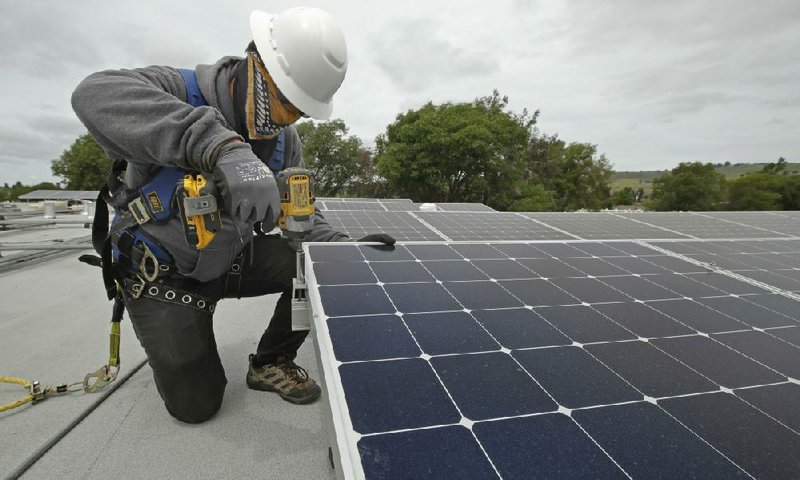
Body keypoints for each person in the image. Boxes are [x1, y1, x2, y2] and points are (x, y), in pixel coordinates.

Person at [71, 7, 394, 424]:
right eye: (284, 102)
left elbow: (298, 218)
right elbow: (92, 93)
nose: (286, 120)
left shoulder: (283, 142)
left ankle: (271, 360)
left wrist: (339, 249)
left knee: (312, 267)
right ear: (255, 65)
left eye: (300, 111)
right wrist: (222, 148)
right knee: (197, 407)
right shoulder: (177, 90)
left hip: (230, 258)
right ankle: (183, 332)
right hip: (163, 273)